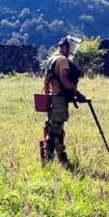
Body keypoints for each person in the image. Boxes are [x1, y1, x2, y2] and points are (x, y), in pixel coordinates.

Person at [43, 36, 86, 166]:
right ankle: (48, 160)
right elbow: (64, 79)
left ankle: (63, 160)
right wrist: (76, 92)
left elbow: (46, 83)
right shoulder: (63, 61)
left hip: (53, 98)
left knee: (59, 130)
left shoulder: (51, 60)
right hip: (60, 99)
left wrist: (48, 98)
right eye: (71, 47)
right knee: (55, 131)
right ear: (65, 47)